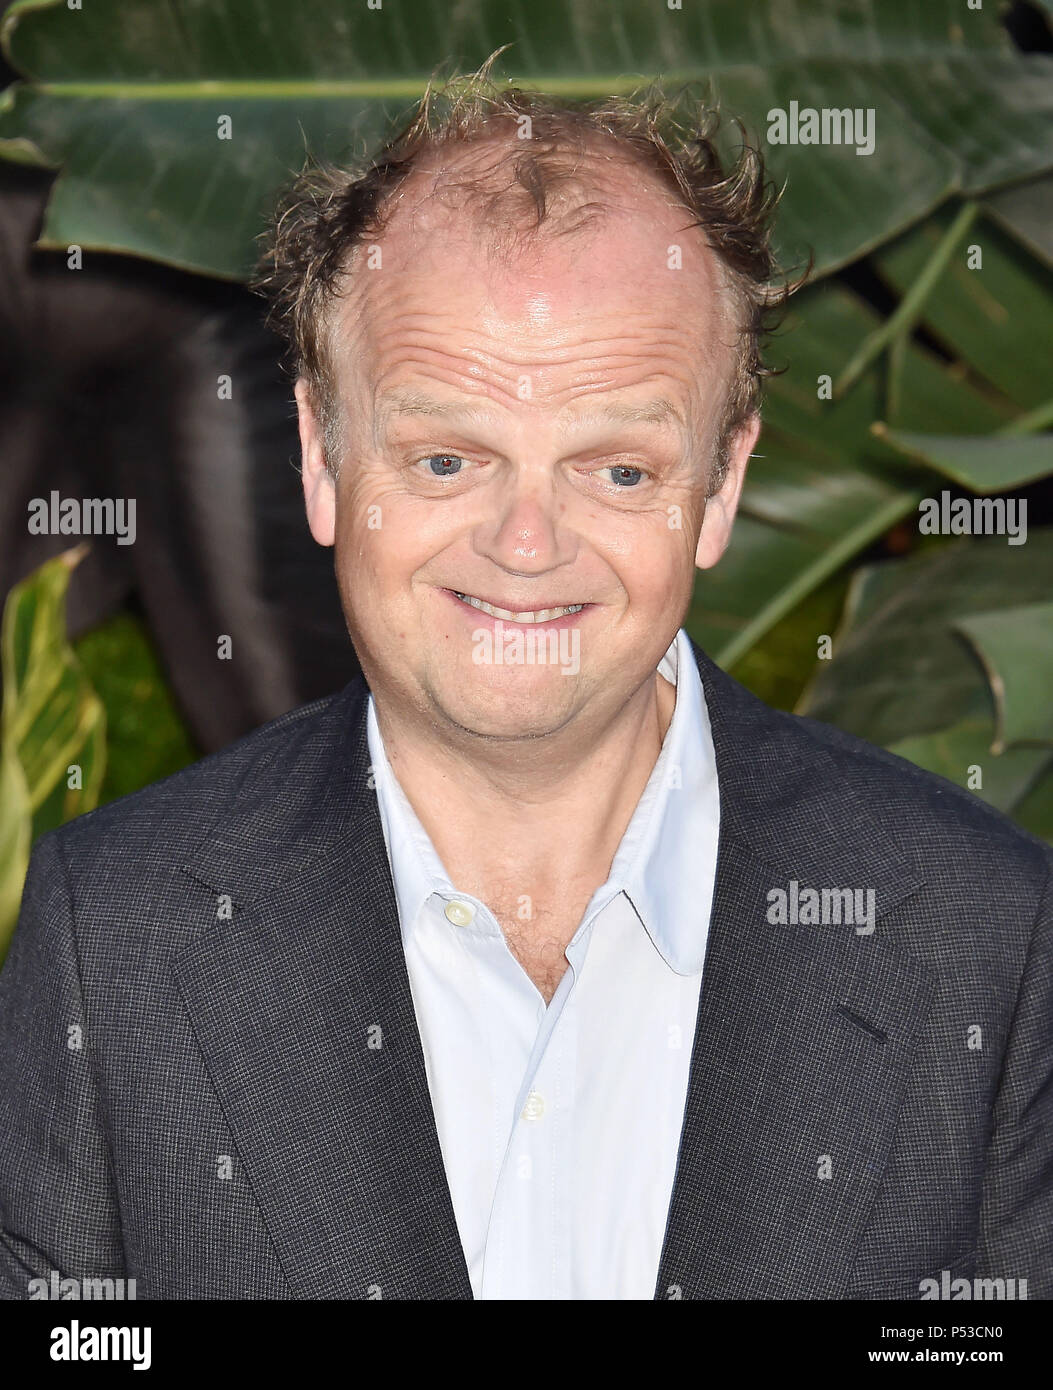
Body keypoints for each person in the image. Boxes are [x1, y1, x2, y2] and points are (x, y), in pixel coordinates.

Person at [1, 62, 1050, 1302]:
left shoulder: (985, 932)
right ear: (321, 459)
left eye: (615, 469)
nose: (527, 543)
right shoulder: (108, 934)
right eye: (448, 458)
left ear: (719, 487)